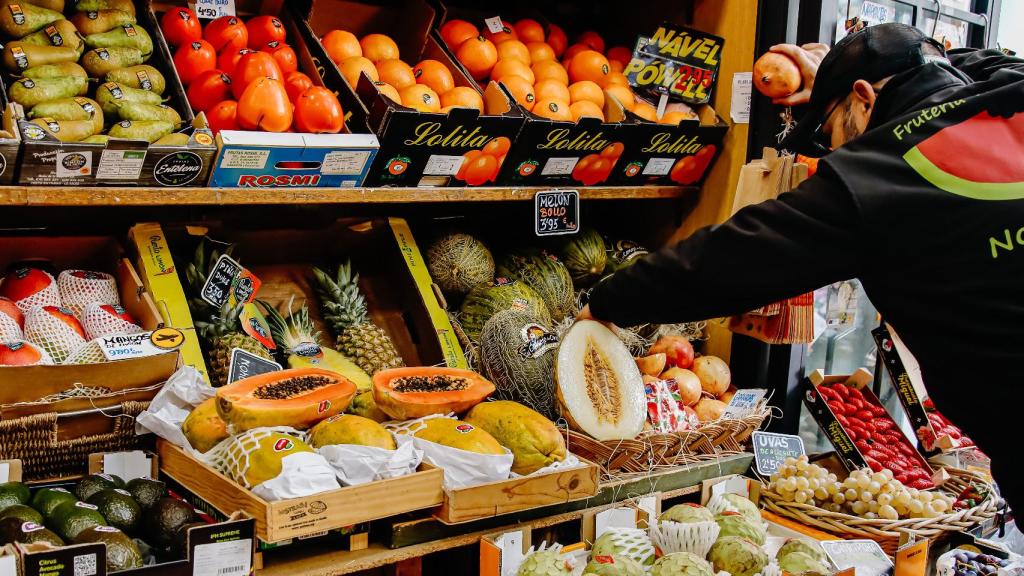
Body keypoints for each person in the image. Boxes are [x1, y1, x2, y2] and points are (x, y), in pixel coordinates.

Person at [579, 23, 1024, 525]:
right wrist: (863, 68)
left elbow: (735, 256)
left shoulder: (882, 175)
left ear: (862, 99)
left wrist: (607, 302)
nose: (833, 152)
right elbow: (969, 65)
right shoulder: (1010, 91)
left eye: (830, 130)